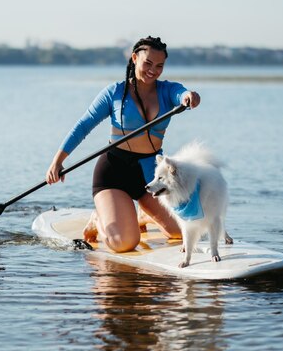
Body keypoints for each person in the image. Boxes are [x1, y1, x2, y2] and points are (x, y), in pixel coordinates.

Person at [46, 36, 200, 253]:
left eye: (159, 66)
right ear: (135, 58)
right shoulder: (114, 93)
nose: (153, 70)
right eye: (148, 63)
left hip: (151, 174)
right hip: (114, 173)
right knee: (125, 243)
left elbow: (182, 94)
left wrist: (189, 96)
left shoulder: (168, 91)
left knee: (181, 230)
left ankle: (145, 213)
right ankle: (98, 219)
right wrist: (57, 162)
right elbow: (83, 126)